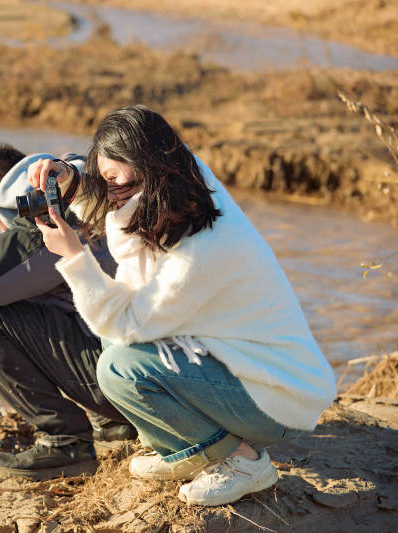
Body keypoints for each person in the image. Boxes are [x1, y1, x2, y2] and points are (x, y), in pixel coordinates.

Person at [31, 105, 336, 506]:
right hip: (243, 365)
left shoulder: (202, 251)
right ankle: (190, 452)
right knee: (115, 349)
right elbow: (123, 201)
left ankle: (243, 461)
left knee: (120, 364)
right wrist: (72, 181)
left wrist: (74, 258)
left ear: (149, 169)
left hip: (278, 399)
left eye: (112, 180)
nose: (108, 194)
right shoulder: (184, 182)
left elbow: (123, 321)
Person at [0, 143, 136, 480]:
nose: (1, 230)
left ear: (7, 199)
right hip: (143, 366)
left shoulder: (49, 218)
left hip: (127, 379)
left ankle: (66, 441)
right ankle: (110, 421)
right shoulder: (85, 185)